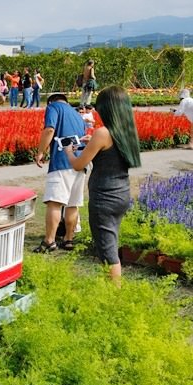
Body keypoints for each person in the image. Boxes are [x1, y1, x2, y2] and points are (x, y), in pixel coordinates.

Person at [64, 86, 142, 282]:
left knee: (108, 252)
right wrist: (93, 142)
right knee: (110, 243)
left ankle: (114, 296)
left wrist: (68, 151)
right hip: (122, 194)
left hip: (104, 199)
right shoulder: (126, 131)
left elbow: (78, 165)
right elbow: (111, 152)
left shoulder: (102, 133)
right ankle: (109, 287)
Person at [33, 93, 87, 253]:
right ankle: (68, 239)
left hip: (61, 162)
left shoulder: (53, 107)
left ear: (51, 101)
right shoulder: (78, 115)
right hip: (79, 163)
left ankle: (49, 241)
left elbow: (50, 129)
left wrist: (40, 152)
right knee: (73, 203)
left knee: (54, 202)